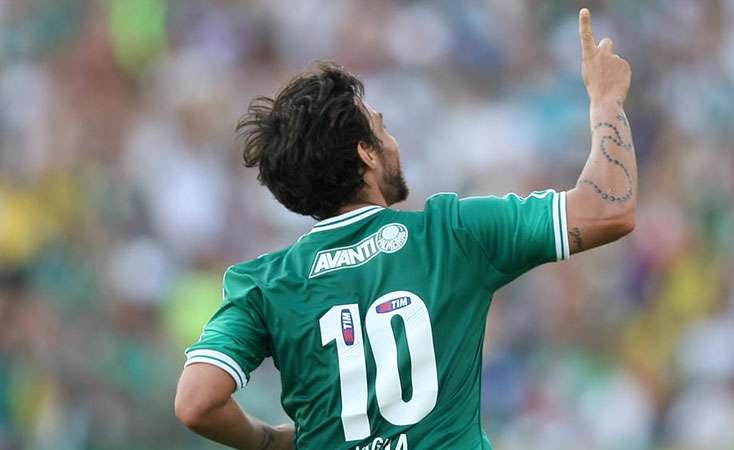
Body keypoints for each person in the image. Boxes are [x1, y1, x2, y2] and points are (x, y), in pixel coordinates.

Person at [174, 8, 635, 450]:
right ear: (366, 154)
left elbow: (197, 403)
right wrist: (606, 102)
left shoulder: (265, 285)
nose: (393, 142)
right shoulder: (450, 234)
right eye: (382, 128)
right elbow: (608, 209)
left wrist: (269, 442)